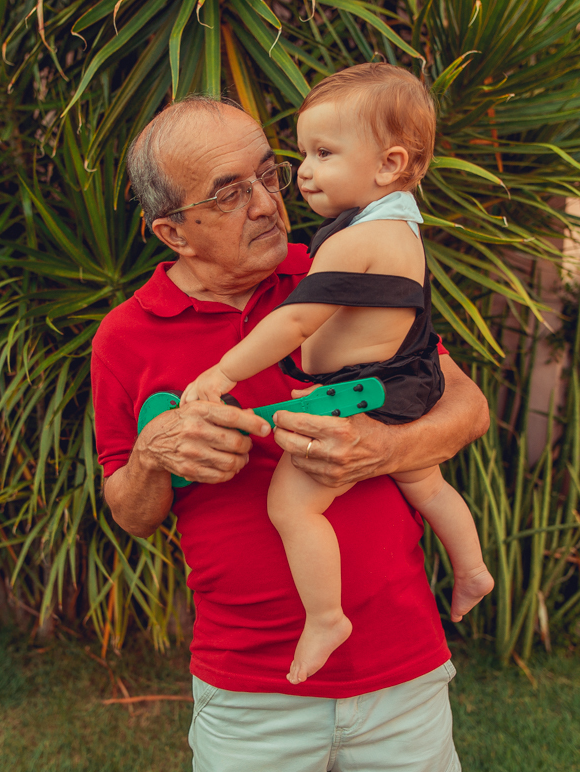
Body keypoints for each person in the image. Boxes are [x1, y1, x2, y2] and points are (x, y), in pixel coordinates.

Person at [92, 94, 488, 772]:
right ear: (173, 232)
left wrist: (382, 448)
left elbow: (465, 407)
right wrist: (155, 456)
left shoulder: (336, 267)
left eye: (269, 176)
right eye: (231, 193)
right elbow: (130, 510)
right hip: (249, 684)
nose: (270, 204)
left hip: (400, 663)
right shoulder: (126, 337)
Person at [181, 64, 493, 686]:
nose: (303, 170)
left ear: (388, 164)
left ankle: (326, 617)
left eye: (323, 153)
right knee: (425, 485)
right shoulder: (397, 229)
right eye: (302, 153)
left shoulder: (357, 240)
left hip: (369, 392)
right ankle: (472, 568)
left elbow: (295, 323)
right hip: (403, 381)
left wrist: (222, 372)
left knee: (292, 506)